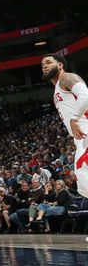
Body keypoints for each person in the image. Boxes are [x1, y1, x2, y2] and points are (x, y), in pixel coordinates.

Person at [42, 52, 88, 243]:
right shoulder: (57, 89)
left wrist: (75, 118)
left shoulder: (67, 77)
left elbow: (85, 94)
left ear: (60, 65)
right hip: (81, 135)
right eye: (42, 64)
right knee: (84, 184)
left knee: (84, 179)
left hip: (86, 129)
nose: (44, 66)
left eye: (48, 62)